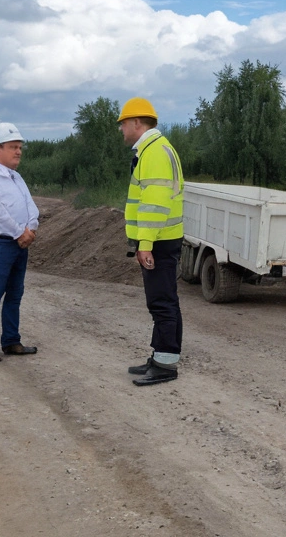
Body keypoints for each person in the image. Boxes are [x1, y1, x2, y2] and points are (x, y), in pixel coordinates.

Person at [118, 97, 185, 386]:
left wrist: (145, 243)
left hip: (158, 241)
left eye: (122, 124)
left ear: (136, 122)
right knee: (163, 300)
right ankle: (160, 357)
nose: (120, 130)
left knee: (162, 302)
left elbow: (154, 204)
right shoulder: (153, 149)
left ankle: (166, 364)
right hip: (159, 239)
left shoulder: (155, 151)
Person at [0, 122, 40, 363]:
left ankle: (11, 341)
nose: (18, 151)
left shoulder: (16, 177)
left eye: (20, 147)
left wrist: (30, 228)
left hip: (19, 243)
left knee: (15, 293)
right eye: (13, 147)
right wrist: (19, 232)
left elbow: (30, 205)